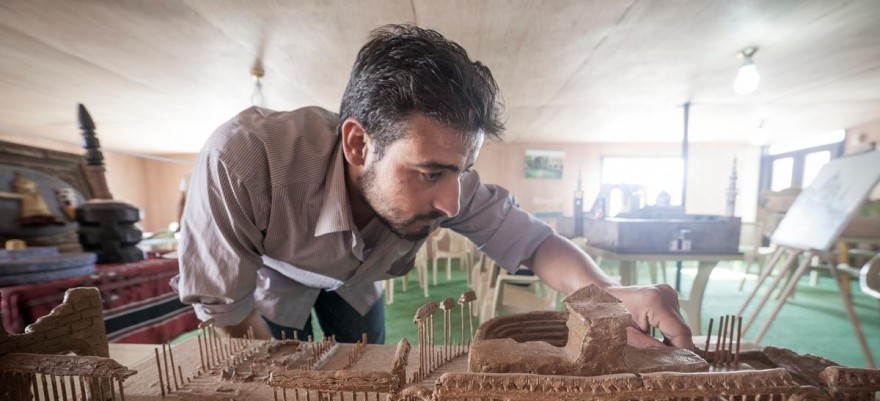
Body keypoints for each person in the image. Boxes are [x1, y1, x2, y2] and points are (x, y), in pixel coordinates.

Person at [175, 24, 693, 350]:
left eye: (460, 171)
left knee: (364, 371)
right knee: (280, 374)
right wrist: (277, 381)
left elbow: (535, 243)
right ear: (358, 145)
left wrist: (606, 296)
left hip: (358, 283)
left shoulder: (452, 183)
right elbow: (226, 307)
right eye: (429, 174)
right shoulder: (243, 160)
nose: (450, 203)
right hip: (274, 279)